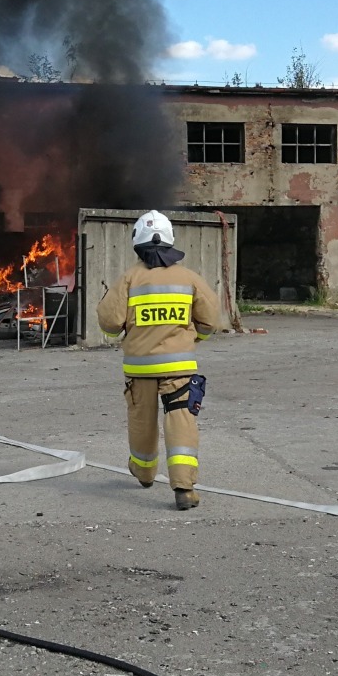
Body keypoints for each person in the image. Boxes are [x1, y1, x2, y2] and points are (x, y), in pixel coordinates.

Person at [95, 210, 221, 510]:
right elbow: (210, 320)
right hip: (179, 368)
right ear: (170, 240)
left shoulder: (129, 279)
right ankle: (184, 487)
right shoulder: (189, 278)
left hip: (139, 369)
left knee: (142, 422)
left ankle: (144, 472)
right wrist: (192, 339)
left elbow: (109, 323)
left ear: (137, 243)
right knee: (181, 422)